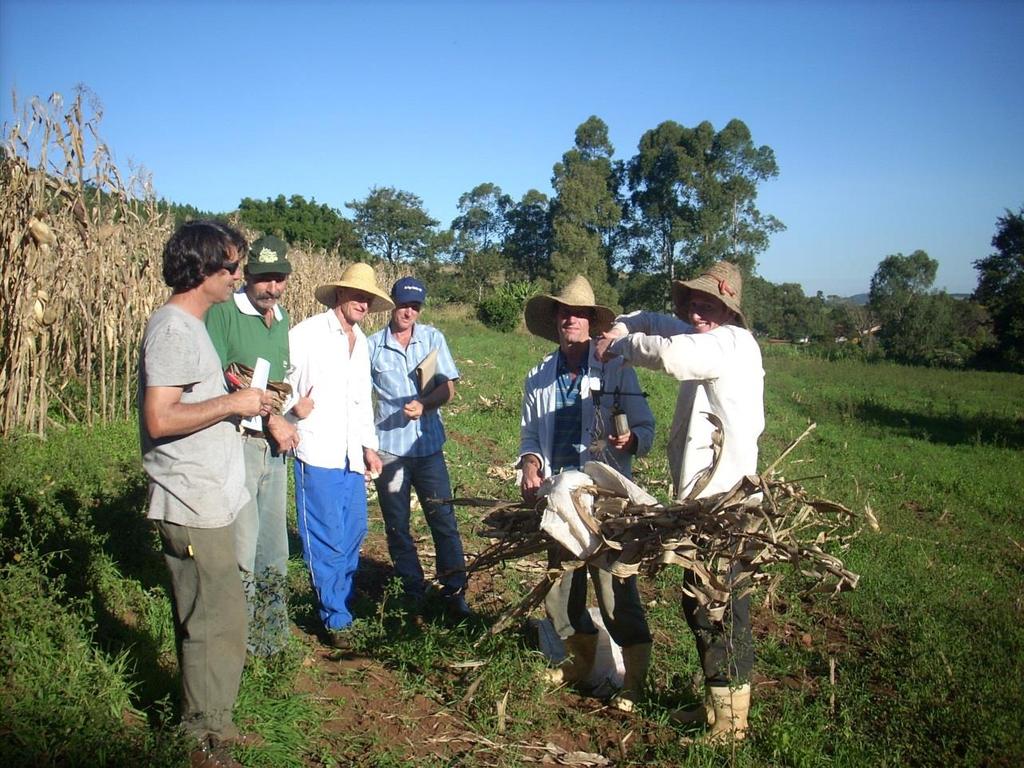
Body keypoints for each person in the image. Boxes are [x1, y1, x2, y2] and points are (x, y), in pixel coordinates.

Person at [595, 260, 764, 742]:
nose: (697, 311)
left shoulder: (728, 343)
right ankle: (717, 705)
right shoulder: (705, 334)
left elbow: (670, 357)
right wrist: (625, 325)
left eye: (708, 303)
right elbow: (652, 319)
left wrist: (621, 346)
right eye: (692, 302)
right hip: (702, 505)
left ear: (729, 308)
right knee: (699, 602)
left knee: (721, 607)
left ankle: (732, 724)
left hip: (726, 505)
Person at [139, 221, 273, 768]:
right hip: (190, 501)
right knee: (207, 620)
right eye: (233, 267)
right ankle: (198, 739)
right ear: (203, 270)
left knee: (224, 617)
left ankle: (218, 721)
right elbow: (160, 416)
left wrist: (232, 395)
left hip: (211, 498)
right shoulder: (173, 328)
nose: (239, 277)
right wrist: (232, 406)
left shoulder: (193, 327)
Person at [518, 274, 656, 713]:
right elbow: (528, 437)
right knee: (561, 589)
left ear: (592, 322)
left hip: (605, 499)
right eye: (564, 313)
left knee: (616, 589)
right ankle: (579, 662)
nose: (570, 320)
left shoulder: (614, 368)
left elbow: (646, 429)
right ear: (555, 320)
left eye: (579, 314)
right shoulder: (538, 376)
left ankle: (634, 682)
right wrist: (530, 464)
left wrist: (630, 441)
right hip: (559, 500)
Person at [206, 234, 307, 657]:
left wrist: (286, 418)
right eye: (264, 278)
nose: (272, 287)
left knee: (274, 548)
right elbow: (216, 377)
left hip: (273, 448)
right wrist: (271, 419)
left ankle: (270, 640)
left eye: (279, 278)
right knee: (243, 548)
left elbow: (276, 382)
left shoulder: (280, 318)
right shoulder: (225, 314)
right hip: (238, 443)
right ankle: (236, 645)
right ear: (246, 276)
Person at [286, 263, 393, 648]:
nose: (363, 303)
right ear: (338, 295)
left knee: (353, 533)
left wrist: (369, 447)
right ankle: (334, 615)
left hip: (350, 454)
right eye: (357, 295)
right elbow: (282, 383)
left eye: (368, 298)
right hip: (317, 449)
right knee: (326, 535)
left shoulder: (361, 341)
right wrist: (290, 411)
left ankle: (341, 599)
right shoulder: (307, 334)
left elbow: (362, 400)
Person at [367, 277, 472, 622]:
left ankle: (454, 591)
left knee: (443, 519)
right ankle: (412, 589)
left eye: (415, 306)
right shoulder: (372, 347)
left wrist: (425, 405)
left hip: (427, 448)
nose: (408, 311)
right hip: (390, 450)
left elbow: (449, 389)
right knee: (397, 525)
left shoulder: (432, 338)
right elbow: (356, 393)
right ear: (393, 304)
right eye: (403, 304)